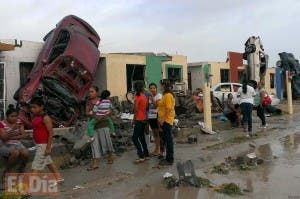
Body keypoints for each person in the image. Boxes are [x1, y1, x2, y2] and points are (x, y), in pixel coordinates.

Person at [29, 97, 63, 184]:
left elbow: (51, 132)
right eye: (31, 107)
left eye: (34, 107)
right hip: (39, 144)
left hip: (44, 145)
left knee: (35, 166)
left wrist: (48, 147)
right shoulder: (36, 117)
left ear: (41, 107)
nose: (32, 109)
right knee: (49, 162)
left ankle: (28, 188)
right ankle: (58, 178)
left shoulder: (46, 118)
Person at [86, 86, 114, 170]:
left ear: (97, 92)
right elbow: (87, 113)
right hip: (94, 126)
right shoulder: (88, 102)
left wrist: (106, 115)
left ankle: (110, 156)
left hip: (104, 125)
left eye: (92, 91)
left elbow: (111, 110)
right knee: (94, 144)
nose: (90, 93)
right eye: (89, 92)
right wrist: (94, 116)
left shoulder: (103, 100)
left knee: (107, 142)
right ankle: (95, 163)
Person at [0, 105, 29, 173]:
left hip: (17, 143)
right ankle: (8, 171)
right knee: (15, 153)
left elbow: (23, 135)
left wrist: (11, 137)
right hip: (4, 145)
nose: (14, 118)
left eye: (16, 116)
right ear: (7, 116)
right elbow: (4, 138)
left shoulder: (19, 122)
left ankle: (22, 167)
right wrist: (13, 129)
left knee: (26, 153)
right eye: (12, 116)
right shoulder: (1, 124)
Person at [157, 79, 175, 166]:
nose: (160, 86)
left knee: (168, 140)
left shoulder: (168, 95)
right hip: (165, 120)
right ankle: (168, 157)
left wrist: (163, 120)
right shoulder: (166, 95)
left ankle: (169, 159)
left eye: (161, 85)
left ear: (164, 86)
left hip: (167, 121)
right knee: (167, 139)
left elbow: (168, 108)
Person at [132, 80, 149, 163]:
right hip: (144, 119)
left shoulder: (137, 97)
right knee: (142, 138)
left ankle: (141, 156)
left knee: (134, 138)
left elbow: (135, 110)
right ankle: (146, 154)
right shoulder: (144, 96)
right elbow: (145, 108)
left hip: (138, 119)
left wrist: (133, 120)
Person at [148, 83, 162, 157]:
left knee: (157, 134)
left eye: (154, 88)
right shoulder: (149, 96)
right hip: (150, 116)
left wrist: (152, 97)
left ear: (156, 88)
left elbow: (156, 105)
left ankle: (158, 149)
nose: (152, 89)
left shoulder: (159, 96)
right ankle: (156, 149)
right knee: (154, 134)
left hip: (157, 116)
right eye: (151, 88)